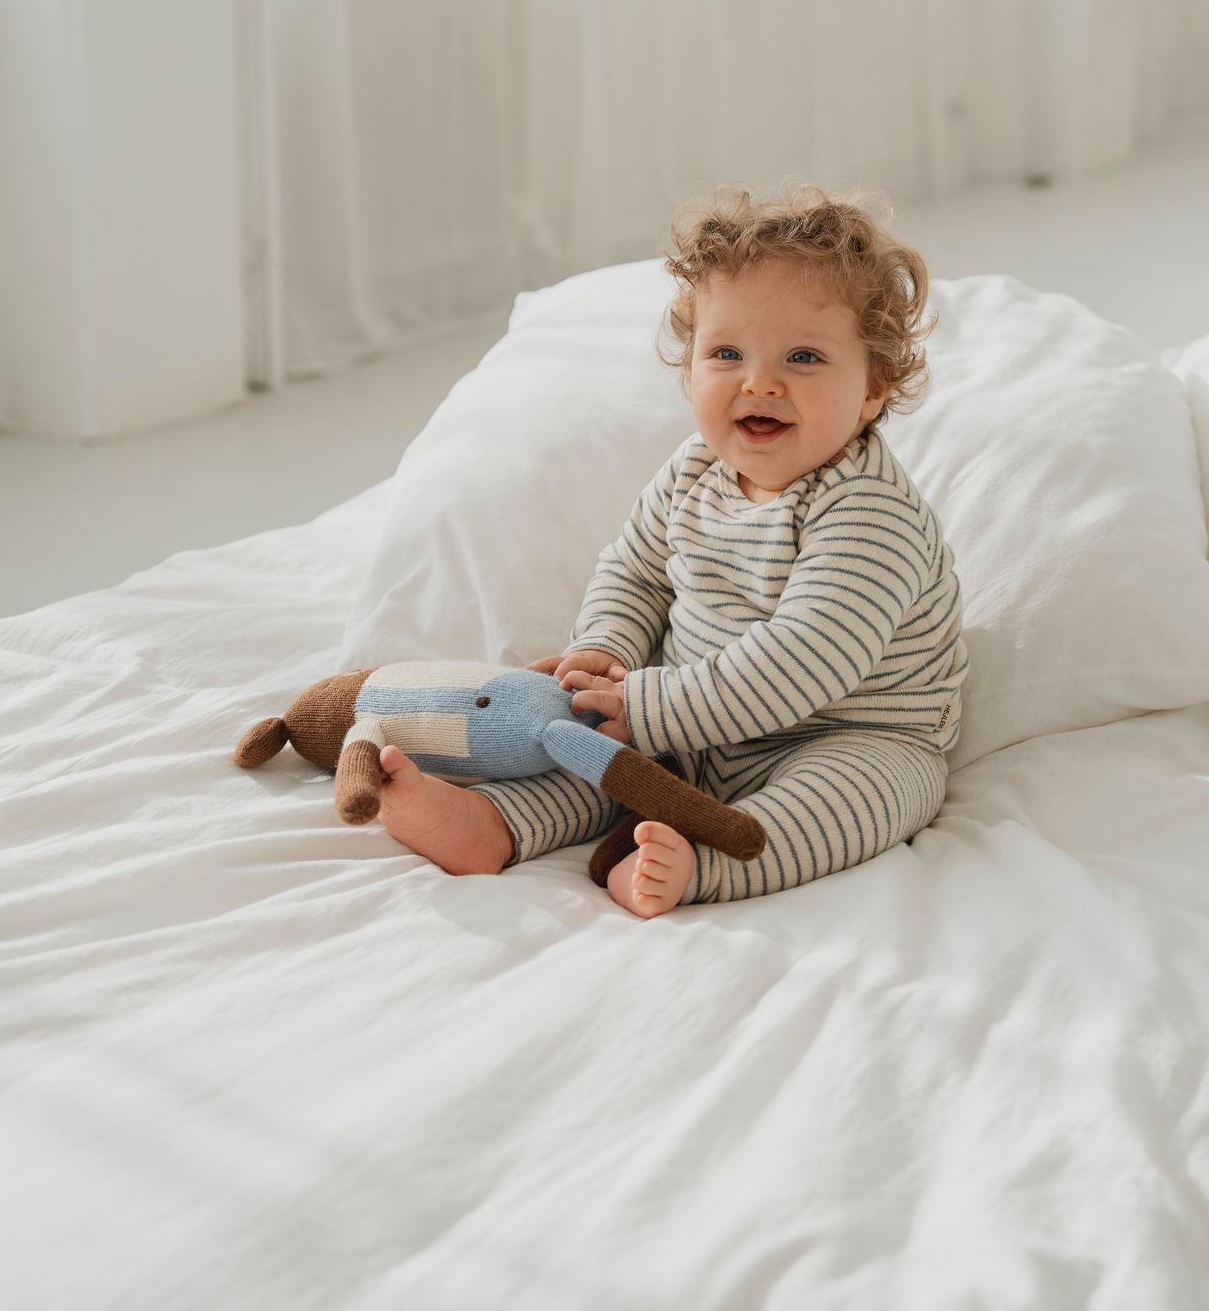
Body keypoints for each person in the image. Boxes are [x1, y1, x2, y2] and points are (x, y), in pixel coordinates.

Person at [377, 183, 968, 920]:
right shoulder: (693, 472)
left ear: (873, 389)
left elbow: (803, 658)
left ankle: (703, 863)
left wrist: (652, 706)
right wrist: (604, 651)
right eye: (726, 352)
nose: (759, 381)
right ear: (689, 369)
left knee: (866, 797)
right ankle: (496, 824)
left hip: (834, 732)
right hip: (688, 724)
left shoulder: (867, 512)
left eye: (804, 357)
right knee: (588, 749)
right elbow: (634, 570)